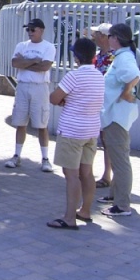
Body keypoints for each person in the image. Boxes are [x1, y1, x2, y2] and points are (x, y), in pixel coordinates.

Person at [47, 38, 105, 230]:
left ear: (76, 56)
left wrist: (65, 100)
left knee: (71, 175)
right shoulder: (99, 76)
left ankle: (69, 217)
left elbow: (54, 98)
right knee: (86, 173)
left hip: (72, 130)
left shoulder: (73, 76)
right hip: (91, 130)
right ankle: (86, 210)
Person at [98, 23, 140, 217]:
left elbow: (134, 76)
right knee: (117, 157)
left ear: (115, 38)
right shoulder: (123, 56)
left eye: (109, 36)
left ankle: (123, 205)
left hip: (117, 117)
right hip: (114, 116)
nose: (107, 39)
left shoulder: (124, 57)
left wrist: (125, 93)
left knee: (120, 160)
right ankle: (115, 195)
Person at [5, 18, 56, 172]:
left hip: (39, 87)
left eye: (33, 30)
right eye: (28, 30)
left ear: (41, 30)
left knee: (41, 124)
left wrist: (25, 63)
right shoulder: (21, 45)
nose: (30, 33)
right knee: (20, 122)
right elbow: (15, 63)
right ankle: (16, 155)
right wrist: (34, 60)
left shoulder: (48, 47)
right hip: (22, 86)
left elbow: (45, 66)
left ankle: (45, 158)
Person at [91, 23, 114, 189]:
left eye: (98, 34)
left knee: (108, 141)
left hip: (108, 105)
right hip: (95, 104)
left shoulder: (115, 58)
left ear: (105, 37)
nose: (95, 36)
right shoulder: (98, 55)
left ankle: (108, 176)